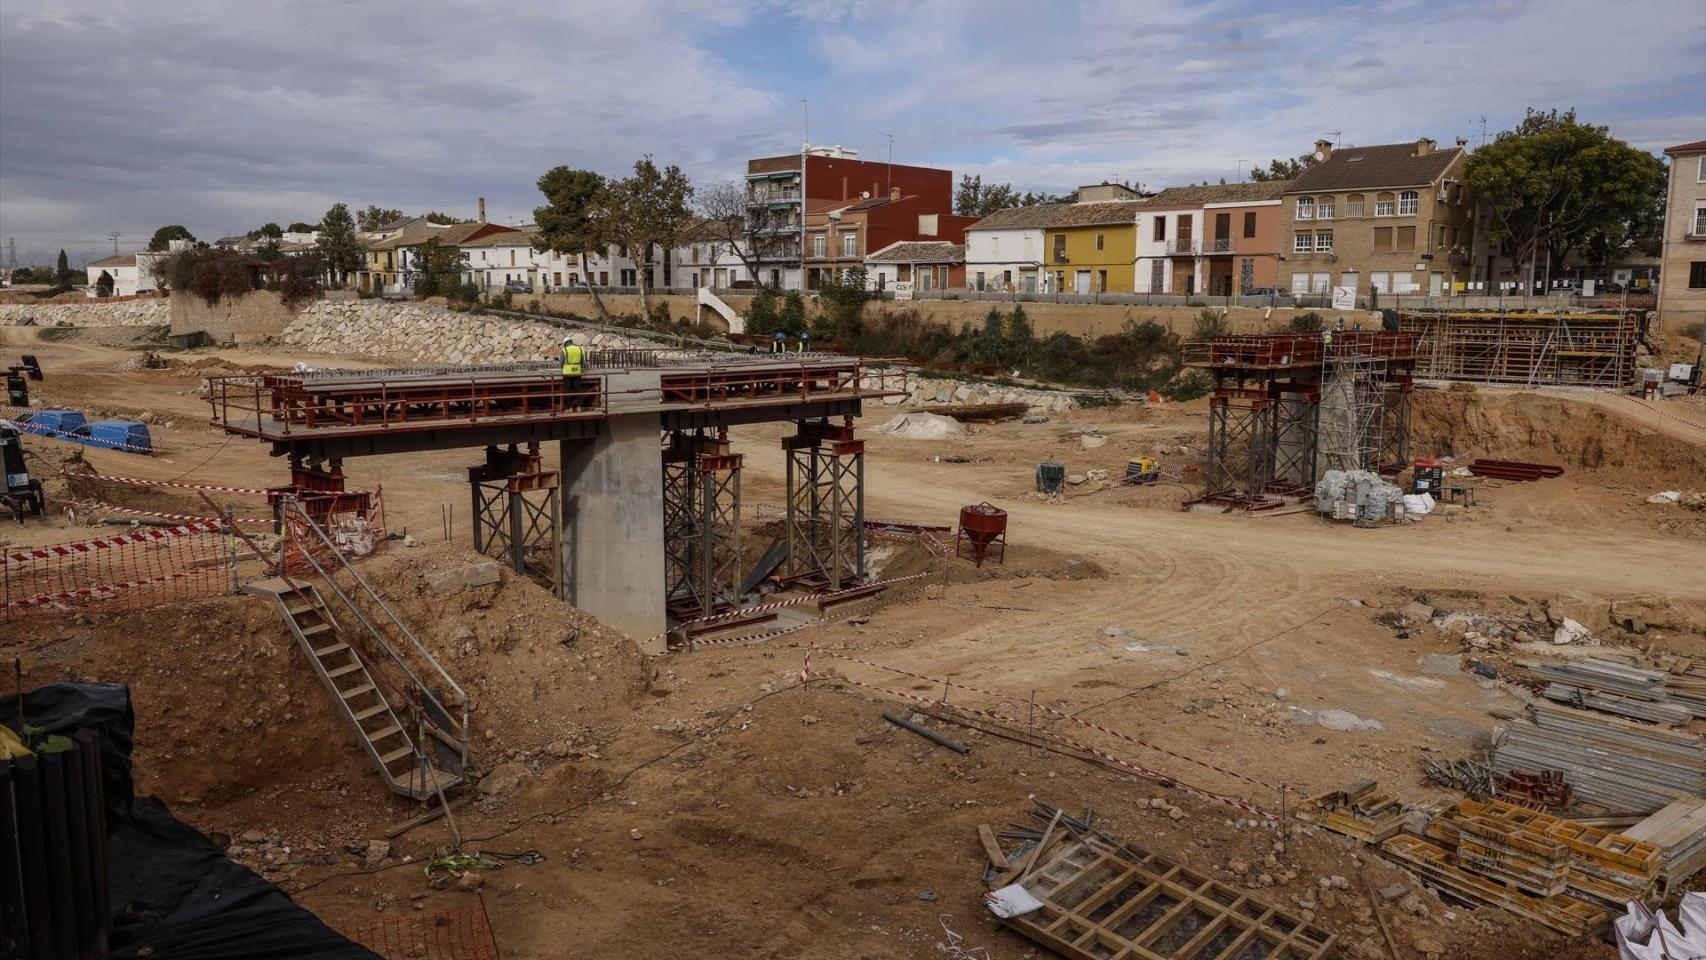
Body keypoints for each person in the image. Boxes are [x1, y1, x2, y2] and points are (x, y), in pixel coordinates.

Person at [560, 336, 584, 408]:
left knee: (568, 391)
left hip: (567, 373)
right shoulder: (580, 349)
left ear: (565, 343)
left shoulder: (565, 350)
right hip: (577, 372)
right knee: (578, 390)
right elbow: (582, 362)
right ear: (571, 342)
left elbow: (561, 363)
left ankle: (568, 407)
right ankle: (579, 406)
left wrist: (562, 368)